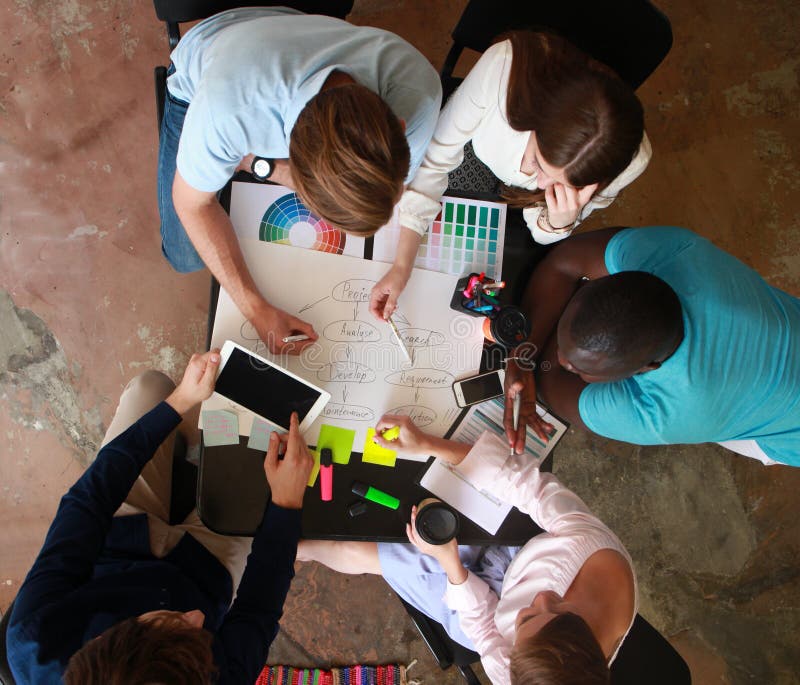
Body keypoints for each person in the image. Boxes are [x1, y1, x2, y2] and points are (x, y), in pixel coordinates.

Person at [7, 351, 314, 684]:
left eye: (176, 621)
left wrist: (179, 402)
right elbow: (257, 610)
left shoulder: (35, 640)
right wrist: (285, 504)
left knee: (150, 387)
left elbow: (89, 501)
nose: (200, 618)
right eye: (199, 639)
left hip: (117, 543)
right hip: (206, 572)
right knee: (271, 458)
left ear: (100, 639)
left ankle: (170, 437)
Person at [159, 6, 442, 353]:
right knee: (184, 256)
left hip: (285, 39)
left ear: (397, 126)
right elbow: (191, 204)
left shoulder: (417, 91)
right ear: (294, 166)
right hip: (212, 59)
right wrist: (256, 311)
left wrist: (258, 165)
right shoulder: (228, 114)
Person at [297, 414, 637, 684]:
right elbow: (527, 486)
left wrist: (451, 565)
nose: (541, 597)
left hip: (477, 610)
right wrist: (428, 444)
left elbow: (486, 630)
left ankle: (302, 549)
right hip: (516, 553)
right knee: (442, 511)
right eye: (560, 606)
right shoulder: (591, 550)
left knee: (371, 550)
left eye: (527, 618)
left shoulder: (516, 674)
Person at [370, 30, 650, 320]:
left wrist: (560, 222)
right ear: (535, 122)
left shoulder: (632, 163)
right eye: (539, 163)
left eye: (559, 183)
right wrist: (402, 266)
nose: (541, 184)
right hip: (473, 155)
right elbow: (435, 161)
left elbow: (539, 233)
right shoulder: (503, 70)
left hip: (518, 212)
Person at [503, 226, 800, 467]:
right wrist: (526, 354)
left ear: (646, 369)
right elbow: (564, 261)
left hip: (789, 431)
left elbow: (550, 381)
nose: (560, 358)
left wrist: (538, 351)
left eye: (578, 367)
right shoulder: (672, 254)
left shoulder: (667, 413)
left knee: (744, 430)